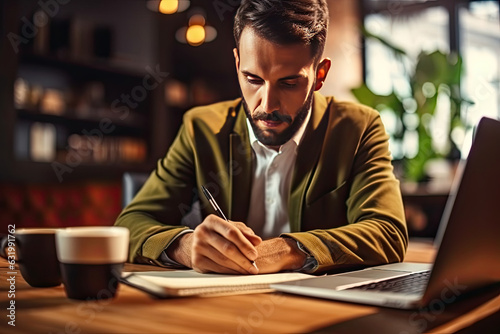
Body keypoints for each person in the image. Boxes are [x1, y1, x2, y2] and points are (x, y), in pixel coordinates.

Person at [115, 0, 408, 275]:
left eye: (289, 82)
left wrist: (286, 251)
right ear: (237, 63)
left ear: (320, 74)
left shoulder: (359, 128)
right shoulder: (200, 128)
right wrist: (185, 246)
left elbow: (388, 232)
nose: (267, 105)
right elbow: (129, 225)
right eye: (253, 79)